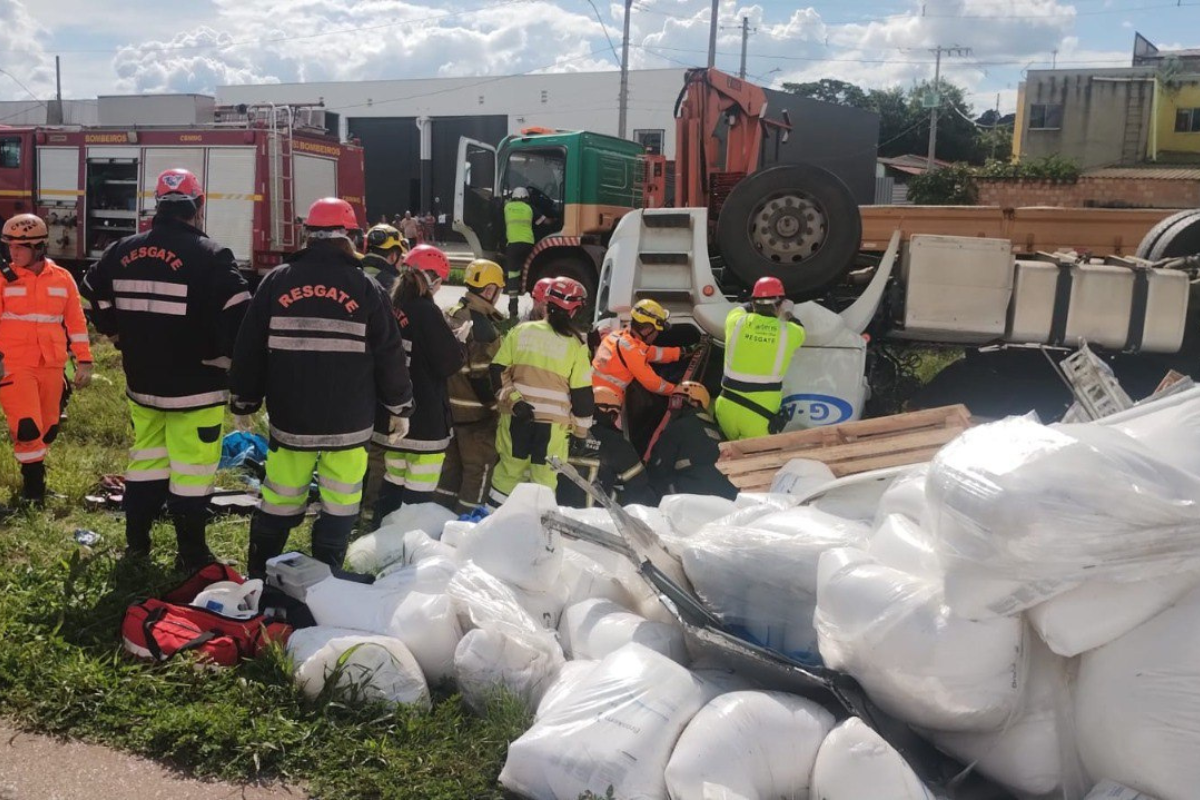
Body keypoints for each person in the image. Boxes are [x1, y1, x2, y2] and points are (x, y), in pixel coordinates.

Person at [229, 197, 413, 577]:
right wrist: (400, 407)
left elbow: (248, 347)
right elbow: (389, 355)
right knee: (341, 504)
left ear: (307, 236)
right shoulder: (366, 288)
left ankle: (261, 575)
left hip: (291, 422)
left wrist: (244, 400)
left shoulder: (276, 282)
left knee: (279, 500)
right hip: (349, 426)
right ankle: (324, 580)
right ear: (349, 237)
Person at [82, 170, 249, 568]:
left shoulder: (121, 250)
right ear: (199, 205)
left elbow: (91, 294)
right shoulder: (211, 255)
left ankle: (137, 547)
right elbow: (240, 318)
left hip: (143, 384)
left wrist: (117, 334)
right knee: (192, 471)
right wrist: (229, 363)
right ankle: (191, 554)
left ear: (157, 204)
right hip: (197, 388)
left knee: (146, 463)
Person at [0, 214, 93, 508]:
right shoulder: (3, 279)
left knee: (49, 427)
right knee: (27, 426)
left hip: (52, 363)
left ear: (39, 247)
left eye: (20, 247)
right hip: (15, 365)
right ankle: (33, 491)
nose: (13, 252)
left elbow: (76, 322)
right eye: (10, 246)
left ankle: (36, 481)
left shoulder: (63, 279)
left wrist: (85, 361)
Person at [369, 244, 464, 525]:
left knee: (393, 477)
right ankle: (405, 544)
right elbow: (448, 363)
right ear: (434, 279)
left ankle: (379, 530)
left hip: (393, 414)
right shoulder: (426, 311)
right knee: (419, 489)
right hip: (425, 420)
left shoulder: (390, 305)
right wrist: (458, 342)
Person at [487, 277, 593, 508]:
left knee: (508, 475)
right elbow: (582, 395)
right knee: (543, 481)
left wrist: (515, 402)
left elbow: (497, 371)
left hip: (517, 418)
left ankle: (490, 525)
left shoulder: (521, 331)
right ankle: (535, 533)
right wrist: (581, 434)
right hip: (553, 428)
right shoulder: (577, 345)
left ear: (547, 303)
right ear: (575, 310)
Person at [434, 259, 505, 514]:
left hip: (447, 412)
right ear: (489, 290)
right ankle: (466, 523)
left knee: (449, 473)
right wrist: (495, 406)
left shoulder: (449, 313)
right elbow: (481, 377)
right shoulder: (484, 328)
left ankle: (438, 517)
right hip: (476, 418)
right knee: (478, 472)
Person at [713, 277, 806, 441]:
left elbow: (742, 308)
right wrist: (788, 313)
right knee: (753, 461)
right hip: (760, 417)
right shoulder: (789, 332)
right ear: (780, 305)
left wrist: (757, 302)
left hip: (726, 410)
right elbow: (800, 328)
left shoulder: (735, 321)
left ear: (754, 302)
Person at [559, 386, 658, 508]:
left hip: (555, 512)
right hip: (594, 520)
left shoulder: (561, 433)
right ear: (610, 412)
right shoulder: (616, 443)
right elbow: (639, 486)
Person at [592, 299, 689, 408]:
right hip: (605, 402)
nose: (657, 334)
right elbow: (653, 383)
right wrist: (678, 391)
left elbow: (652, 352)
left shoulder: (619, 336)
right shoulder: (631, 350)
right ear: (647, 330)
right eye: (657, 331)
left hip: (595, 394)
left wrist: (680, 352)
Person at [648, 381, 737, 499]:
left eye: (678, 401)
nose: (673, 406)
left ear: (695, 402)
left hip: (690, 495)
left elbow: (658, 467)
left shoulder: (679, 427)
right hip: (726, 496)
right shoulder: (719, 432)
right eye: (672, 401)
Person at [503, 187, 544, 317]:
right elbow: (543, 222)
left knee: (512, 275)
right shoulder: (530, 208)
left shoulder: (507, 207)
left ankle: (513, 308)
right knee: (529, 268)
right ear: (526, 197)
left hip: (513, 245)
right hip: (528, 244)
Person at [362, 223, 406, 293]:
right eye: (401, 257)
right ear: (393, 256)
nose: (402, 262)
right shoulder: (394, 285)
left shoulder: (352, 273)